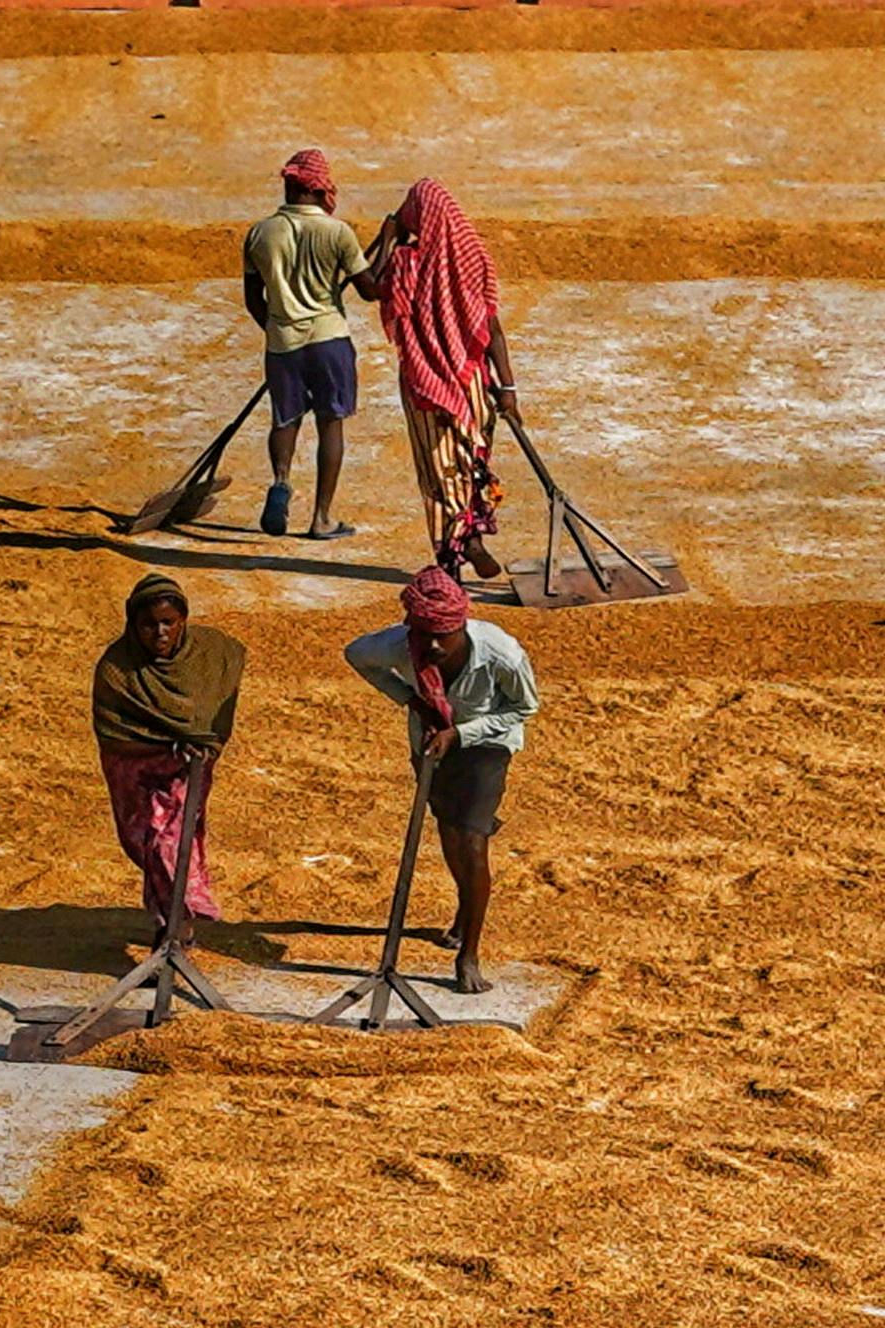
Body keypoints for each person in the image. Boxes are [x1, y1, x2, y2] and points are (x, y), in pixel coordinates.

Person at [344, 565, 533, 995]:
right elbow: (355, 655)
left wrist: (461, 733)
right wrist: (411, 699)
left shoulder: (501, 653)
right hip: (431, 741)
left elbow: (523, 707)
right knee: (449, 832)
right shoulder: (399, 645)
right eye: (422, 634)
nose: (430, 646)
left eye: (441, 637)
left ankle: (469, 953)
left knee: (471, 839)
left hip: (487, 742)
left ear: (460, 627)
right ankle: (464, 912)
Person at [359, 178, 511, 584]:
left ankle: (451, 559)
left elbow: (370, 288)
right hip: (472, 381)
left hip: (425, 384)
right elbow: (490, 326)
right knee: (470, 461)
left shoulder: (406, 261)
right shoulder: (472, 256)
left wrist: (387, 239)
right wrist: (508, 388)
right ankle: (472, 536)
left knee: (439, 469)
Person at [91, 572, 247, 951]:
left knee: (170, 843)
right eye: (148, 625)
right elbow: (113, 728)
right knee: (148, 840)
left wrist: (200, 744)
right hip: (137, 771)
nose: (159, 633)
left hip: (188, 770)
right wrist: (166, 745)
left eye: (168, 623)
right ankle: (174, 923)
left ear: (183, 622)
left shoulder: (210, 655)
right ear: (133, 625)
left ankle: (174, 927)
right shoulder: (117, 669)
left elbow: (219, 699)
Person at [239, 150, 361, 543]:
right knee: (331, 424)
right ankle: (322, 518)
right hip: (329, 339)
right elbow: (371, 289)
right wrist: (389, 245)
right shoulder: (337, 232)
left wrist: (276, 329)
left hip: (282, 343)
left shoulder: (260, 232)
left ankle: (280, 480)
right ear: (319, 187)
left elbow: (253, 298)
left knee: (284, 419)